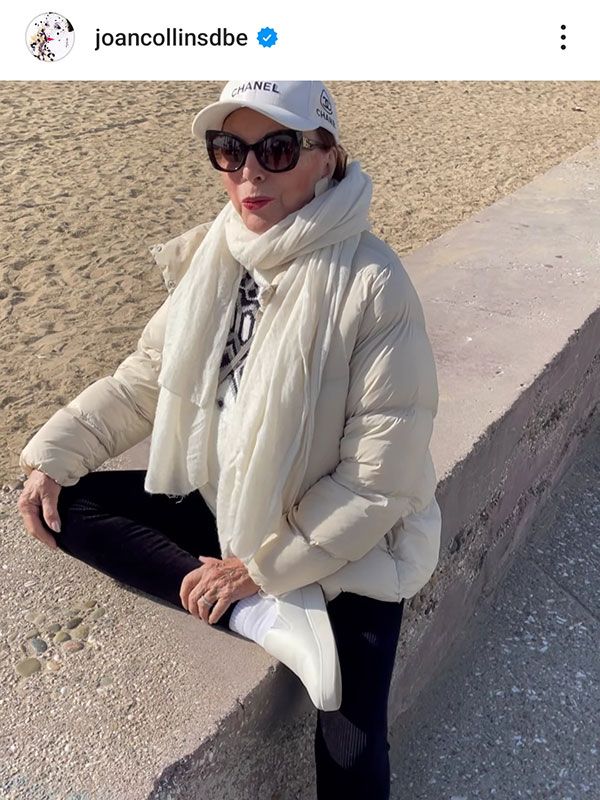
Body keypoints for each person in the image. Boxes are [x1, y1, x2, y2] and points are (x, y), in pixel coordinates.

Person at [17, 80, 442, 799]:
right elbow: (150, 377)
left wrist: (261, 564)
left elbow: (377, 482)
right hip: (238, 508)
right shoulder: (223, 251)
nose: (249, 174)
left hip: (354, 545)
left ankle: (262, 597)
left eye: (277, 149)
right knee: (66, 502)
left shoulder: (373, 284)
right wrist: (56, 452)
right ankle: (259, 617)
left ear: (327, 158)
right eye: (229, 150)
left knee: (350, 737)